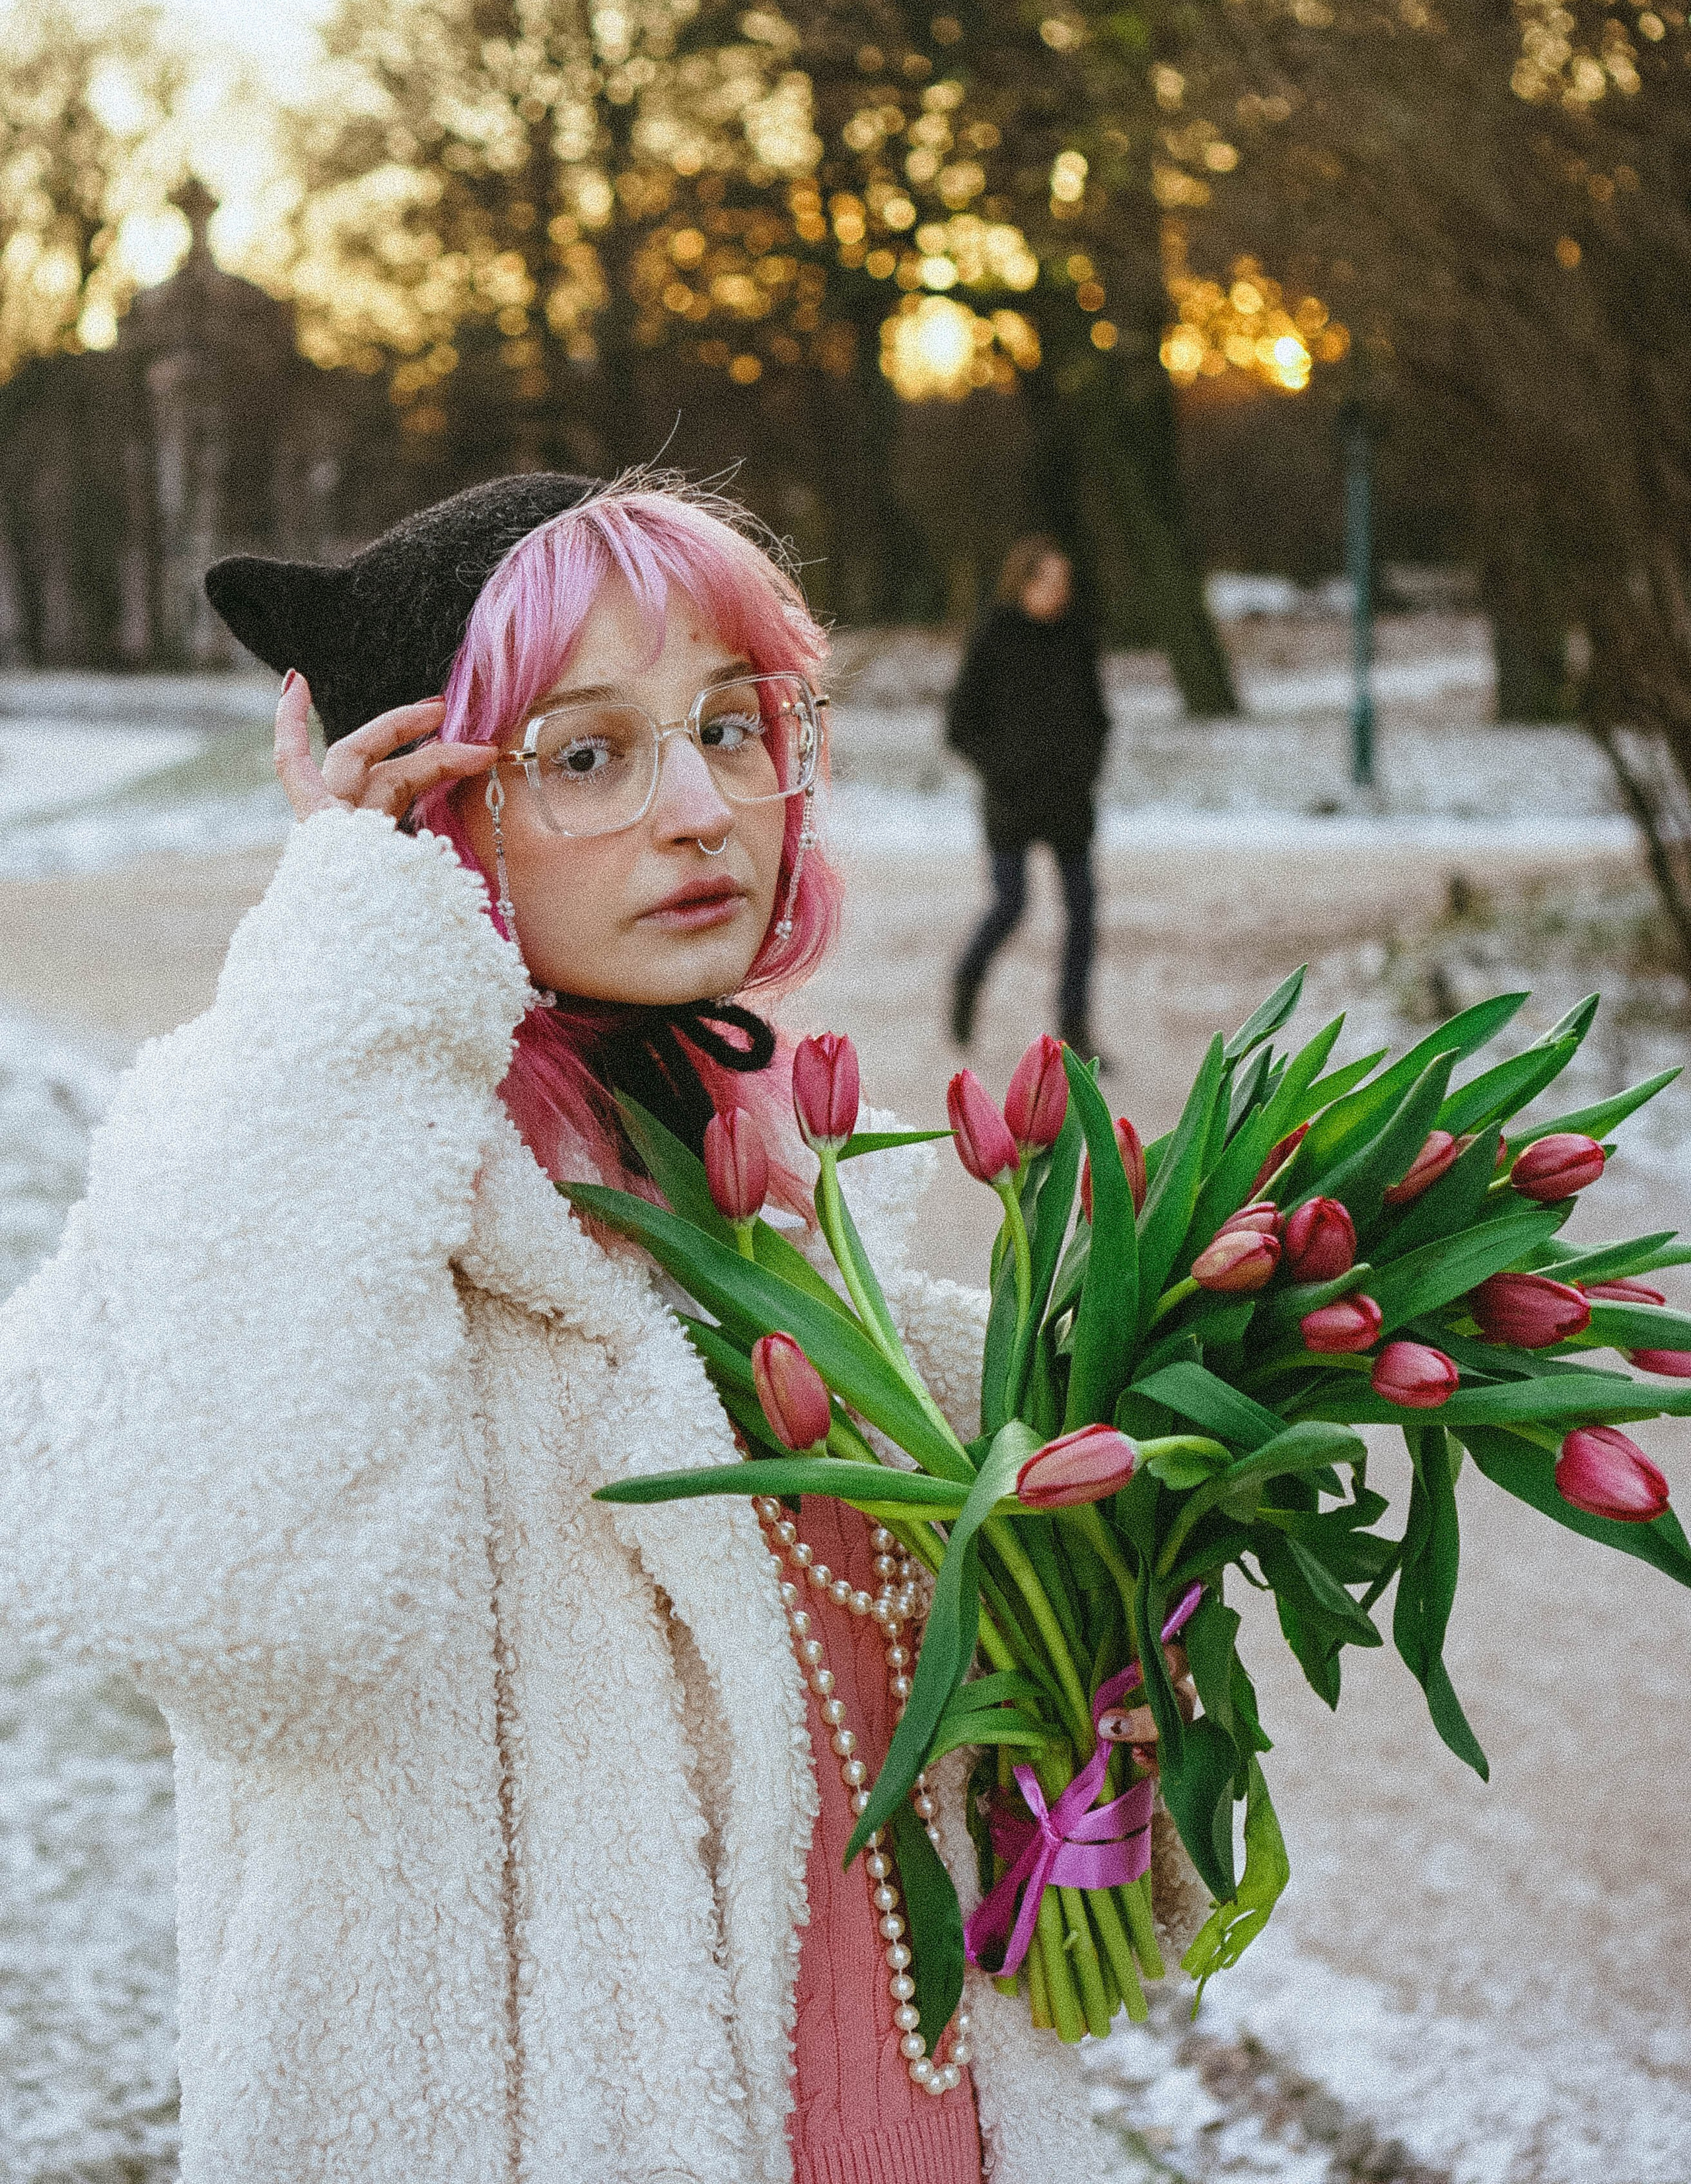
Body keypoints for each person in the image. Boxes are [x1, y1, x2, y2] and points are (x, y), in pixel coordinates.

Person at [0, 471, 1124, 2184]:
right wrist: (351, 948)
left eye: (737, 727)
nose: (702, 808)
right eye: (589, 754)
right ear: (420, 815)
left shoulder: (777, 1235)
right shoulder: (291, 1201)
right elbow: (226, 1600)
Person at [946, 534, 1110, 1058]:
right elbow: (959, 725)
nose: (1061, 591)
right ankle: (967, 981)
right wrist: (1003, 768)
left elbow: (1097, 714)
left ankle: (1075, 1027)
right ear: (1025, 583)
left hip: (1068, 800)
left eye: (1066, 581)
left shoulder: (1077, 636)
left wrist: (1088, 765)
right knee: (1011, 904)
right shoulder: (993, 637)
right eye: (1050, 581)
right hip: (1013, 800)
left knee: (1083, 909)